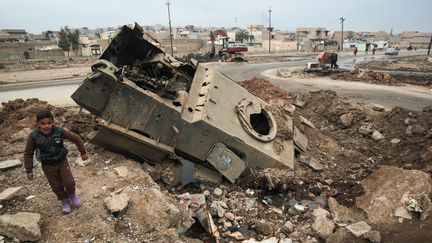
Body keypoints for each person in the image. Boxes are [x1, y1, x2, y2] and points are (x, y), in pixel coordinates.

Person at [24, 109, 88, 214]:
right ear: (38, 124)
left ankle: (72, 195)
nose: (46, 126)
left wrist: (83, 152)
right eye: (43, 124)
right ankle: (65, 201)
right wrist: (29, 170)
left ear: (53, 122)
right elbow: (28, 153)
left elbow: (76, 138)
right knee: (56, 186)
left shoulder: (59, 131)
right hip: (47, 165)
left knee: (69, 182)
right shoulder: (34, 137)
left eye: (49, 123)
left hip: (62, 162)